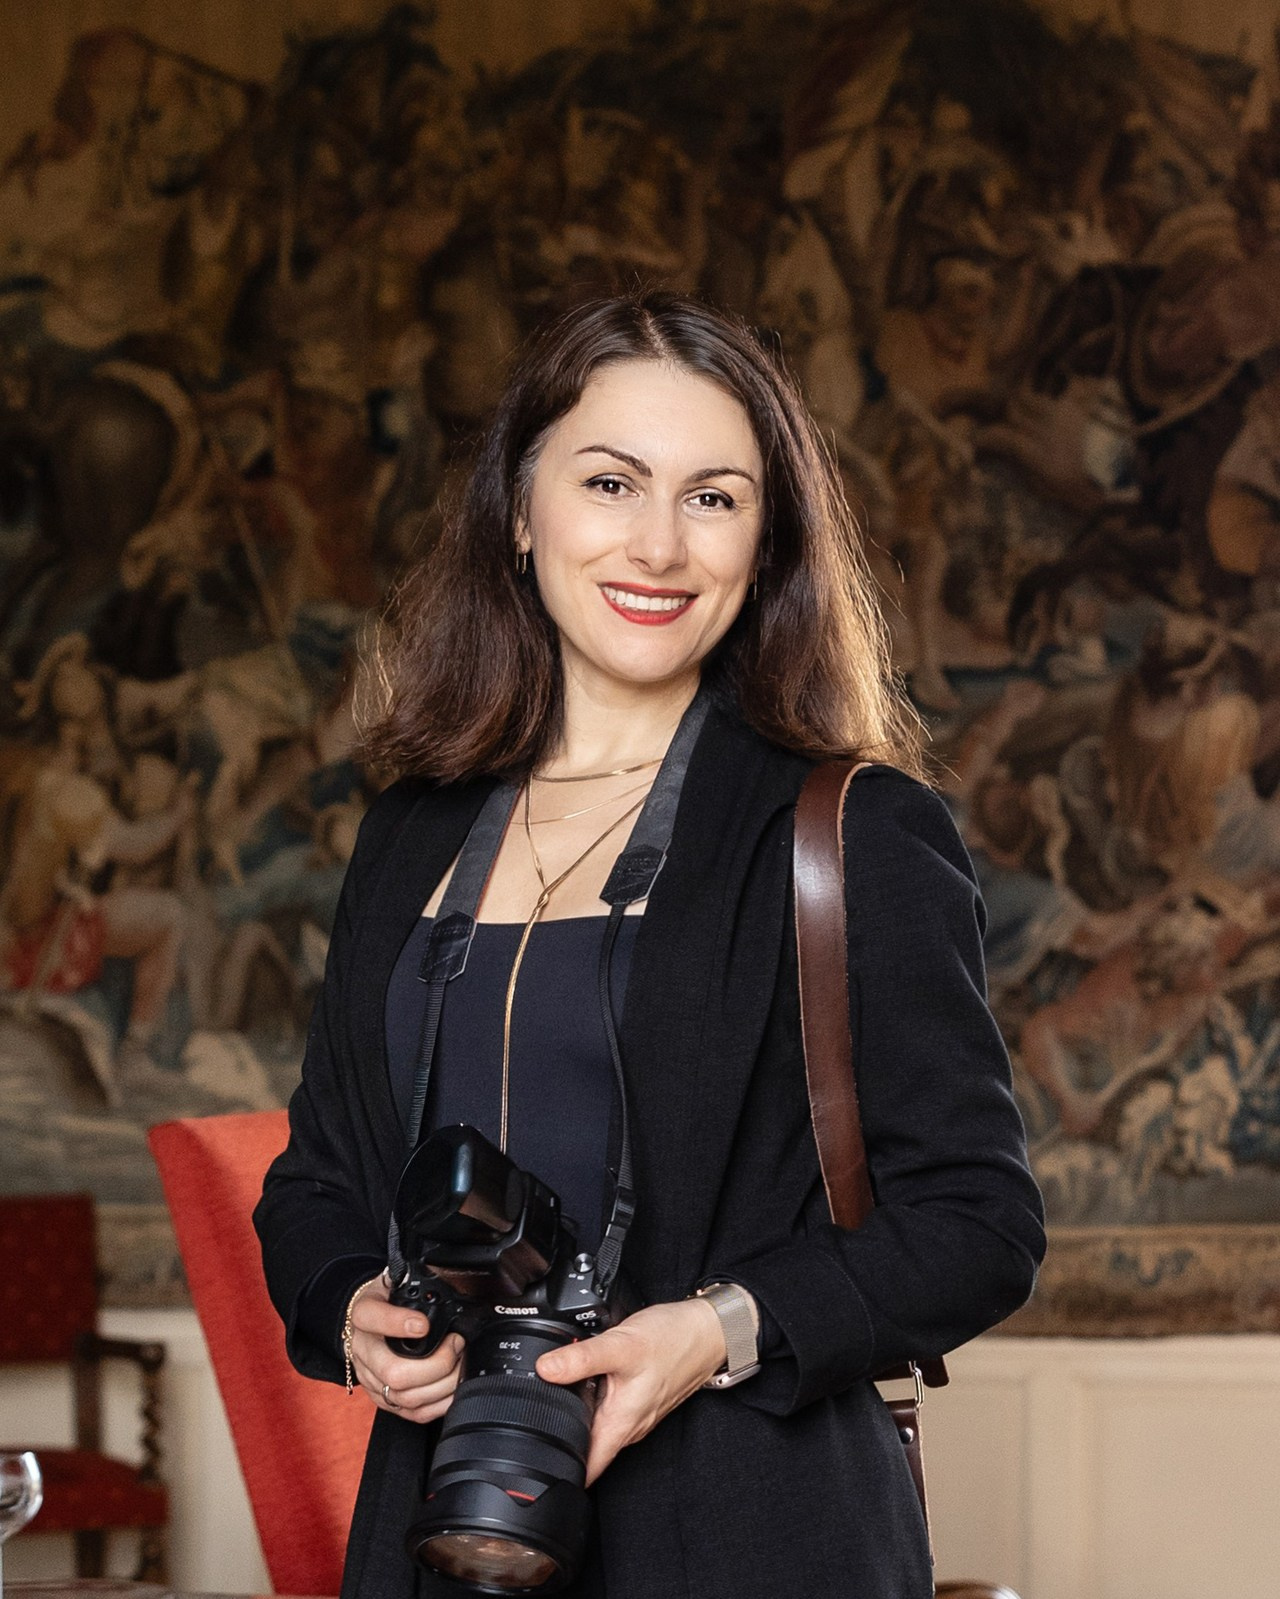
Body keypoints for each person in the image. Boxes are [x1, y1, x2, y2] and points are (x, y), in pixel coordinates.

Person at [254, 290, 1045, 1599]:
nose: (659, 545)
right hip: (447, 1523)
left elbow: (978, 1225)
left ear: (767, 539)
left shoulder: (850, 834)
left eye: (715, 497)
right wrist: (347, 1306)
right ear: (521, 510)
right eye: (611, 481)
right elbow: (318, 1180)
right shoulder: (409, 834)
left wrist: (716, 1331)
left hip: (754, 1530)